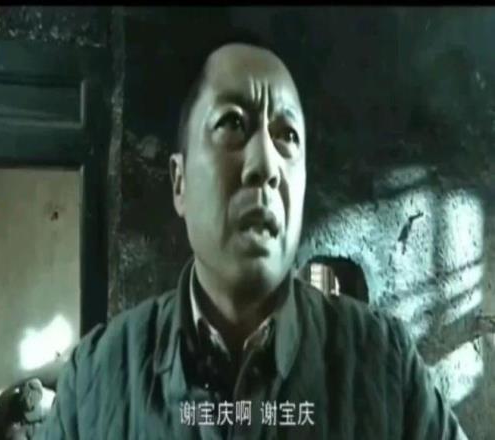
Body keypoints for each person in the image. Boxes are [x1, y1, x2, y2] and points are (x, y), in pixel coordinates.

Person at [28, 37, 468, 439]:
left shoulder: (386, 368)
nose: (265, 165)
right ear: (179, 182)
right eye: (233, 124)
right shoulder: (95, 380)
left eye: (287, 136)